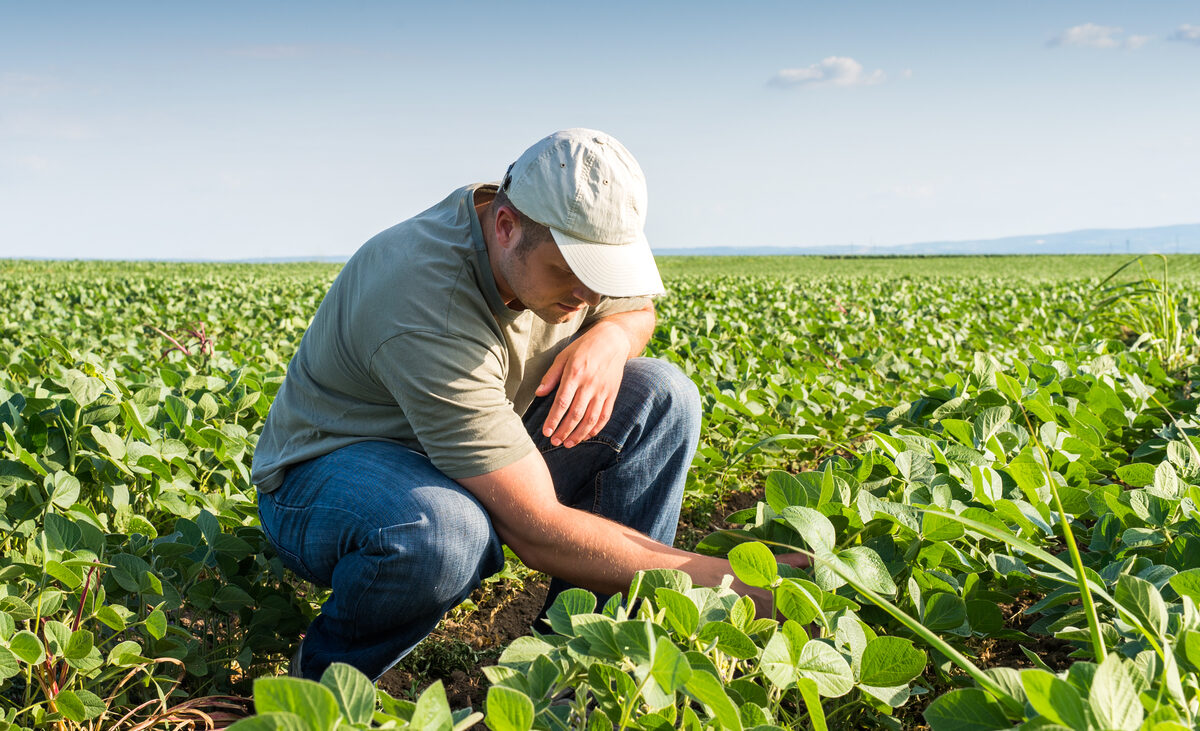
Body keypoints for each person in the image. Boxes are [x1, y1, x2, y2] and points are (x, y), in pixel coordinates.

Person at [251, 129, 787, 682]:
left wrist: (612, 339)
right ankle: (318, 686)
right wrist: (739, 589)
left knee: (662, 395)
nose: (588, 297)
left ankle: (585, 667)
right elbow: (537, 529)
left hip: (465, 448)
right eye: (571, 272)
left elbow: (637, 309)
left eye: (603, 276)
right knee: (443, 532)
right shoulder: (425, 297)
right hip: (332, 473)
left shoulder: (555, 241)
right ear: (505, 228)